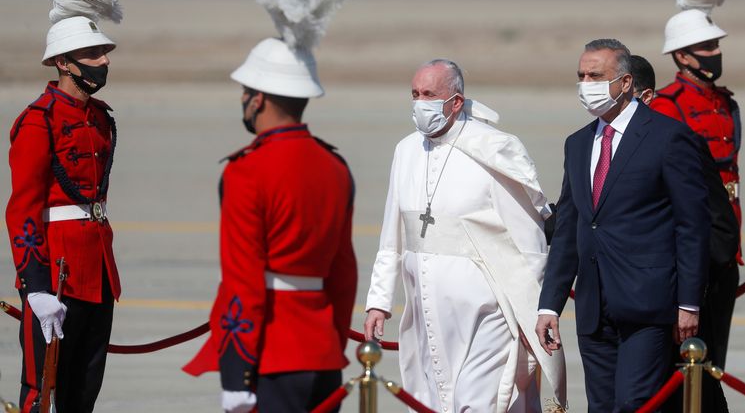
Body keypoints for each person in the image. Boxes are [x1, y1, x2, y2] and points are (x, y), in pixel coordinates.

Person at [364, 59, 566, 412]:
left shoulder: (494, 149)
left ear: (456, 102)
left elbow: (529, 239)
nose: (419, 103)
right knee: (432, 398)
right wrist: (379, 300)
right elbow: (391, 236)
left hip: (486, 312)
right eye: (415, 94)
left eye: (429, 94)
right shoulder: (405, 150)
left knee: (478, 401)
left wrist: (528, 310)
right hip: (425, 310)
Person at [182, 38, 357, 413]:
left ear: (258, 98)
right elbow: (344, 275)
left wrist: (236, 373)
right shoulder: (336, 169)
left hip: (269, 358)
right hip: (323, 355)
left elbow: (242, 281)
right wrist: (332, 343)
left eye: (246, 92)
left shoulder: (246, 172)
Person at [536, 39, 710, 412]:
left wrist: (690, 303)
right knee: (601, 406)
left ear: (626, 82)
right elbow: (570, 228)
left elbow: (692, 226)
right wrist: (549, 305)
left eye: (596, 75)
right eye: (581, 75)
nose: (586, 84)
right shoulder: (578, 144)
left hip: (649, 304)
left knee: (634, 404)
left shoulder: (667, 137)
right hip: (594, 308)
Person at [4, 0, 123, 411]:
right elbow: (23, 210)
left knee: (82, 394)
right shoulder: (38, 122)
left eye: (103, 52)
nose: (104, 60)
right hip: (57, 273)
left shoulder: (100, 118)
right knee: (41, 391)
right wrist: (35, 286)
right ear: (62, 63)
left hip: (98, 272)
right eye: (92, 54)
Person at [631, 54, 739, 412]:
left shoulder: (676, 143)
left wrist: (694, 289)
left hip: (676, 301)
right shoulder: (592, 145)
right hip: (620, 301)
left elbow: (716, 224)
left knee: (693, 391)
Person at [650, 6, 742, 371]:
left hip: (725, 243)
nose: (715, 53)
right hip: (690, 247)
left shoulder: (725, 103)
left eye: (715, 44)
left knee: (714, 357)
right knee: (686, 360)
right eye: (705, 47)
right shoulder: (667, 105)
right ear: (682, 55)